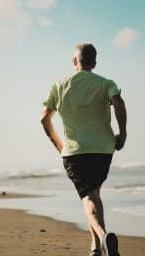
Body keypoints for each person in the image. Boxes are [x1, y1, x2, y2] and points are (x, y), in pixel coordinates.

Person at [40, 43, 127, 256]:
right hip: (103, 150)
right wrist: (122, 133)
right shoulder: (106, 83)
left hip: (75, 153)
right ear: (94, 63)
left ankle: (104, 237)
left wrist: (59, 145)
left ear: (74, 61)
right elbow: (119, 103)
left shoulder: (59, 86)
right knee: (94, 194)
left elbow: (44, 118)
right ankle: (95, 247)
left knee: (88, 198)